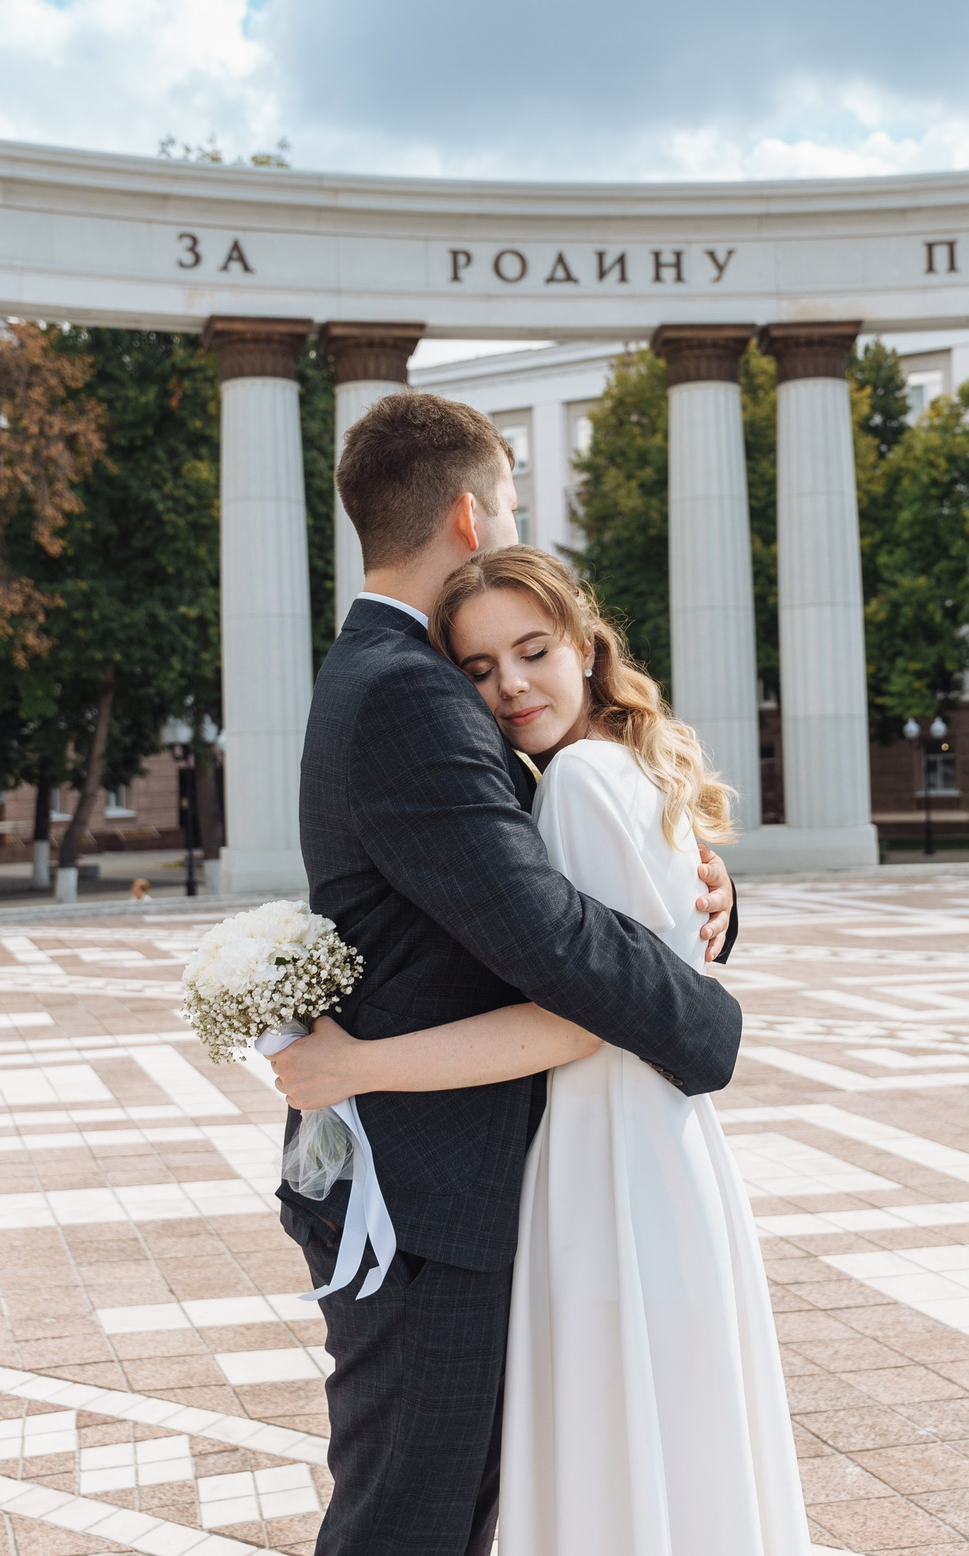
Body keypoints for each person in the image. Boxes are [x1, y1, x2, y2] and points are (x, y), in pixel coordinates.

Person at [276, 390, 742, 1556]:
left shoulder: (390, 671)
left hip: (462, 1174)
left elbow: (571, 875)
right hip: (432, 1196)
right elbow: (542, 931)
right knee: (413, 1519)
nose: (511, 678)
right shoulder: (408, 691)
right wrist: (702, 1017)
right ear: (474, 516)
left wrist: (707, 903)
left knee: (450, 1505)